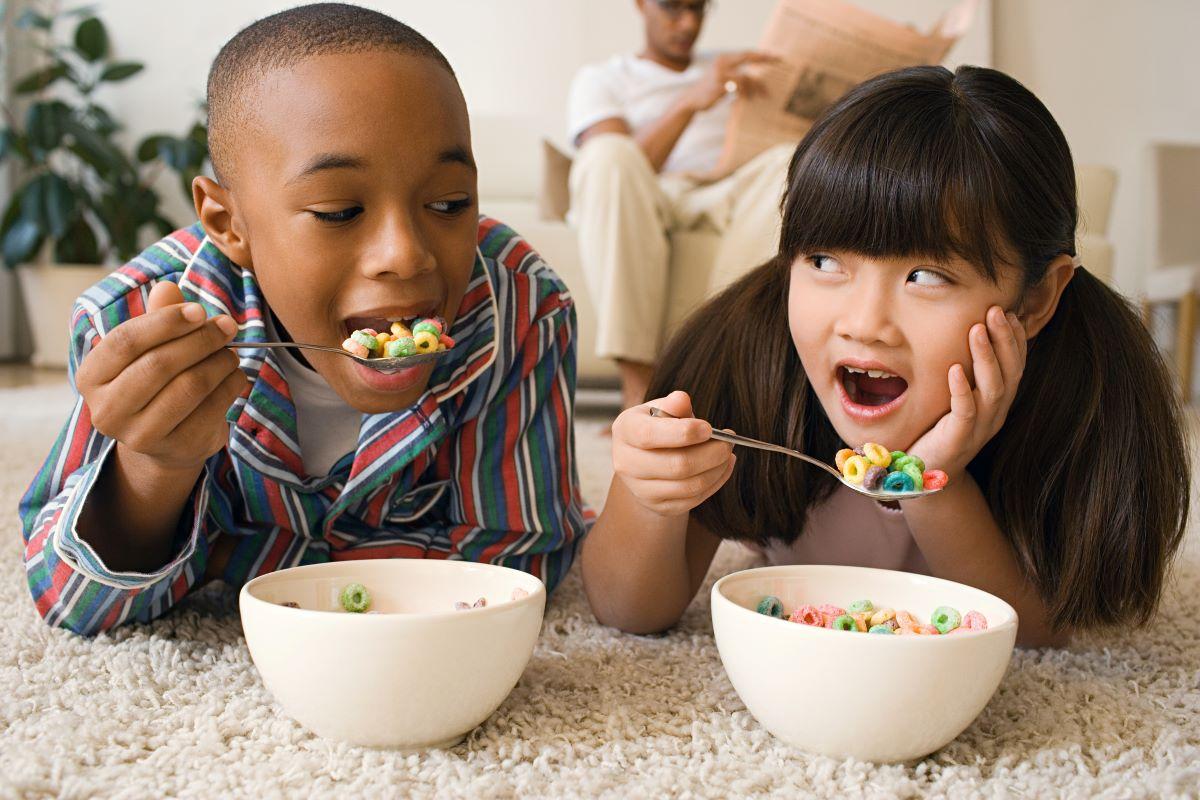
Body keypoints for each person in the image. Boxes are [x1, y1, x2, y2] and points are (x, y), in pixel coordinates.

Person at [19, 3, 589, 635]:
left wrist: (231, 555)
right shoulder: (138, 323)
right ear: (227, 224)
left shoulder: (517, 308)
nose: (405, 255)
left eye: (449, 202)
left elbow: (521, 560)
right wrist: (157, 467)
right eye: (340, 210)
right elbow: (71, 603)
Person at [581, 65, 1190, 648]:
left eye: (926, 275)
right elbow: (629, 611)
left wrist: (933, 486)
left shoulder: (1086, 396)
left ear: (1034, 300)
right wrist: (644, 491)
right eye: (824, 263)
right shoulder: (741, 359)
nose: (864, 325)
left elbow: (1037, 633)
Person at [567, 0, 794, 409]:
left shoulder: (735, 69)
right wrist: (692, 101)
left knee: (789, 162)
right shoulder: (603, 79)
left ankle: (723, 370)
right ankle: (638, 389)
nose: (688, 23)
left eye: (698, 9)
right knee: (608, 153)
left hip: (726, 190)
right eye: (673, 7)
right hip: (649, 192)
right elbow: (619, 164)